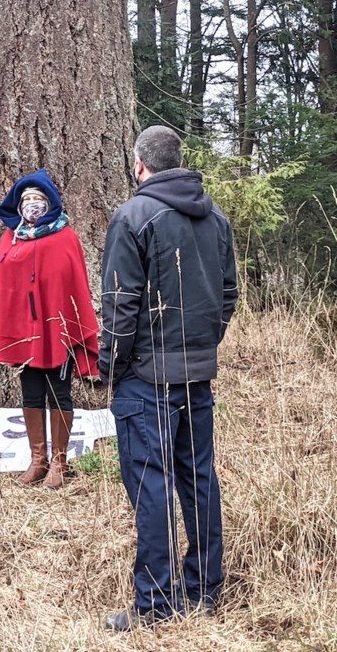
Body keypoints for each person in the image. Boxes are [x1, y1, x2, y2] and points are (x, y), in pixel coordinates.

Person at [100, 126, 238, 631]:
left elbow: (119, 305)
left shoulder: (133, 216)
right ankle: (203, 590)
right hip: (195, 374)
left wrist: (111, 368)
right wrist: (203, 346)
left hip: (148, 378)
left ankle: (156, 601)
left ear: (140, 165)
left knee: (151, 485)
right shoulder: (215, 216)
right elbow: (228, 294)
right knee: (197, 478)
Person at [0, 168, 100, 489]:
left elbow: (73, 284)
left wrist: (70, 326)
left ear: (50, 203)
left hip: (57, 329)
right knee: (30, 391)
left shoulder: (65, 237)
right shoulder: (11, 237)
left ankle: (60, 461)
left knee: (59, 392)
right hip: (24, 332)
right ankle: (37, 459)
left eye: (38, 199)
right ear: (17, 205)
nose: (32, 204)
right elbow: (1, 282)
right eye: (26, 199)